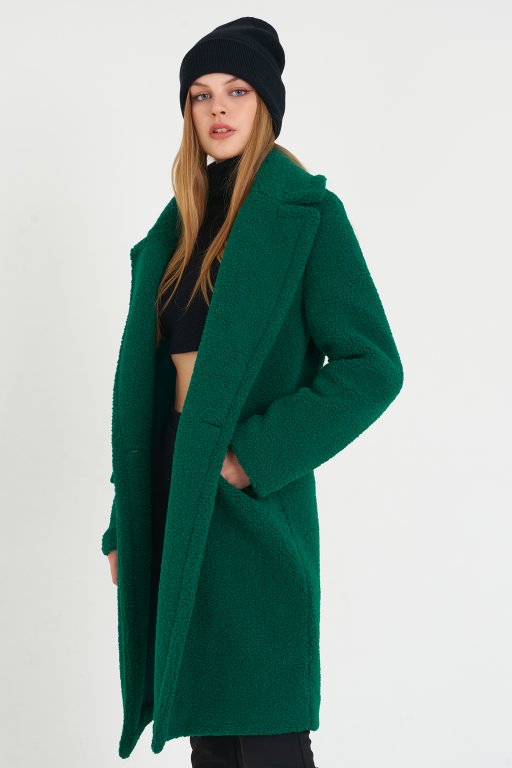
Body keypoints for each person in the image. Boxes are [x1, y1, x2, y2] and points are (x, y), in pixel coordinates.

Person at [102, 17, 404, 766]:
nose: (218, 109)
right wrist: (124, 519)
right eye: (201, 95)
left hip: (249, 506)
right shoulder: (178, 229)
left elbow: (372, 366)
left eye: (237, 91)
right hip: (175, 492)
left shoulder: (307, 217)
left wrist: (251, 457)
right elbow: (148, 402)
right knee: (210, 735)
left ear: (266, 103)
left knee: (267, 732)